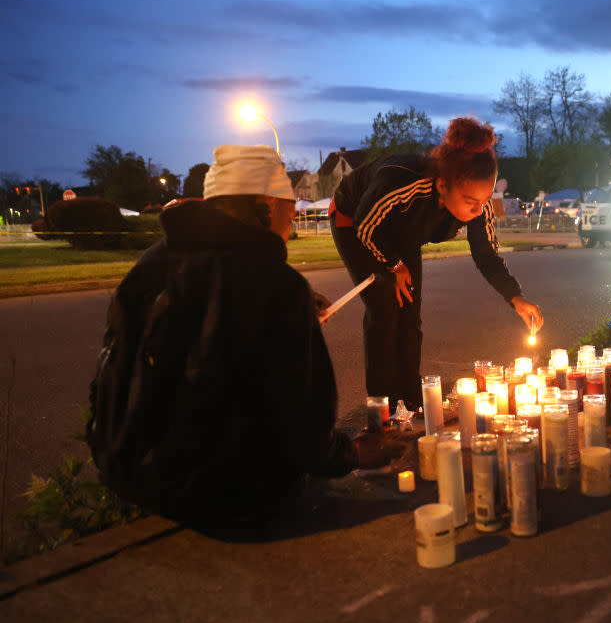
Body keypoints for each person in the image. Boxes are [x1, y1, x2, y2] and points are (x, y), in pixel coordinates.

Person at [86, 145, 404, 527]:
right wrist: (352, 454)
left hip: (136, 476)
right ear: (265, 204)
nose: (292, 218)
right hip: (229, 496)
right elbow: (306, 429)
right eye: (289, 204)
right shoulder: (277, 285)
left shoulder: (150, 264)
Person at [329, 117, 544, 409]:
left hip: (402, 234)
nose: (479, 209)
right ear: (443, 186)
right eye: (471, 200)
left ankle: (411, 400)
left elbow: (486, 254)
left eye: (485, 199)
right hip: (354, 219)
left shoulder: (477, 205)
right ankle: (381, 408)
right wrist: (394, 266)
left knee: (410, 312)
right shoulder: (404, 183)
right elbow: (367, 226)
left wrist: (515, 297)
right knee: (384, 307)